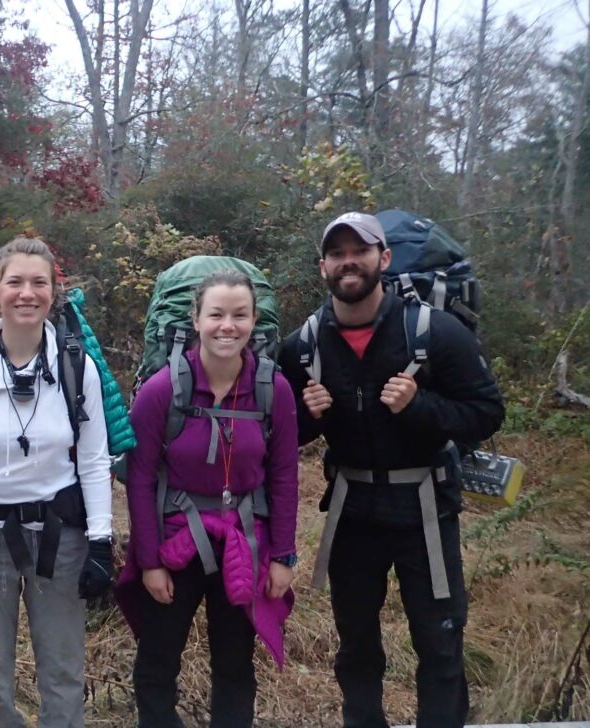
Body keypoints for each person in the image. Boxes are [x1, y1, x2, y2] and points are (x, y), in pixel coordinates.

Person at [280, 212, 505, 728]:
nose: (348, 261)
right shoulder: (303, 345)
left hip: (425, 509)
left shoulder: (435, 332)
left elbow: (487, 413)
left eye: (359, 251)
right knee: (356, 646)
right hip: (351, 512)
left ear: (383, 259)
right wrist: (307, 417)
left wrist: (421, 406)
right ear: (323, 268)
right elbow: (282, 439)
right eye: (336, 254)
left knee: (440, 642)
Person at [0, 236, 115, 728]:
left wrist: (101, 543)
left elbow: (95, 461)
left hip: (63, 537)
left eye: (40, 282)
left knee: (63, 673)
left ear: (55, 292)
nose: (27, 293)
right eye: (15, 281)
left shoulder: (78, 367)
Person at [116, 269, 299, 727]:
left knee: (235, 664)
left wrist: (284, 554)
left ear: (254, 321)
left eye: (239, 315)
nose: (227, 326)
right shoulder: (163, 390)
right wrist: (149, 562)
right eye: (216, 314)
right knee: (158, 660)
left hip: (245, 539)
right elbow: (138, 479)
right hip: (175, 540)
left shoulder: (271, 389)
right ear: (195, 319)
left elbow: (284, 475)